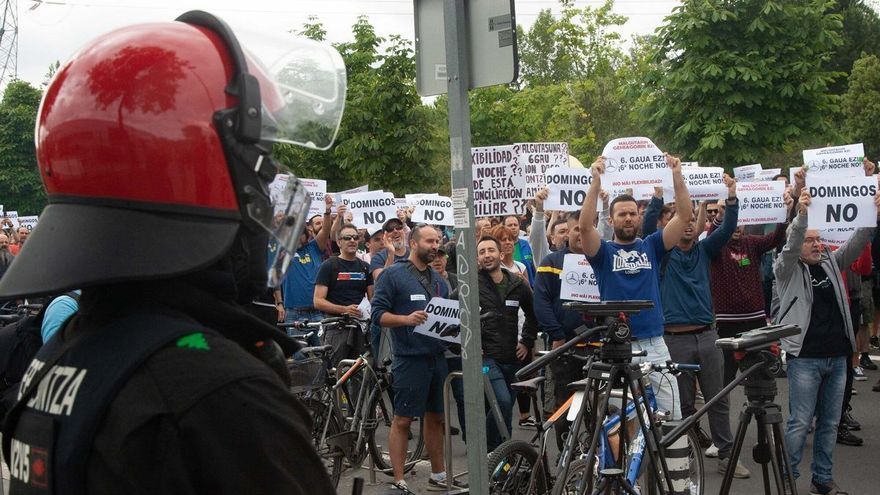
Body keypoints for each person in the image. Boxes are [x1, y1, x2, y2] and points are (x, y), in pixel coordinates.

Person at [0, 11, 345, 493]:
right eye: (260, 173)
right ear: (196, 174)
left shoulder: (64, 350)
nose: (267, 200)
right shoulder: (222, 395)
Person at [580, 153, 693, 493]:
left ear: (640, 216)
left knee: (670, 420)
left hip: (655, 345)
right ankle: (630, 485)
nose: (628, 218)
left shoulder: (653, 246)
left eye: (632, 213)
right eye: (622, 214)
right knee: (623, 423)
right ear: (612, 219)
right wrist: (595, 182)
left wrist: (676, 175)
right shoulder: (603, 253)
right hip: (619, 349)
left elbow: (684, 216)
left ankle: (677, 484)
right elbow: (584, 228)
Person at [774, 169, 879, 495]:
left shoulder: (831, 262)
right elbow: (792, 244)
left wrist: (872, 212)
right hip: (805, 358)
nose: (817, 244)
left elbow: (857, 242)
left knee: (830, 424)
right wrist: (803, 215)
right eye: (811, 240)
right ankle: (788, 479)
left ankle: (822, 479)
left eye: (819, 239)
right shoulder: (786, 269)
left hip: (837, 357)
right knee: (799, 423)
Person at [643, 175, 751, 478]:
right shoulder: (661, 254)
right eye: (683, 219)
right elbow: (647, 228)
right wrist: (656, 198)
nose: (688, 224)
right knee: (683, 404)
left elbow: (727, 228)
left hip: (707, 336)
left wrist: (732, 197)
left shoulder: (704, 250)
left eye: (693, 220)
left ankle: (727, 455)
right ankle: (685, 455)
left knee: (717, 399)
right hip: (674, 339)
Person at [370, 224, 462, 493]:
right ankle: (399, 480)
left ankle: (438, 474)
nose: (435, 246)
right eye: (429, 241)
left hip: (437, 357)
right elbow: (377, 315)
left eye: (437, 241)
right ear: (413, 243)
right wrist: (406, 319)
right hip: (409, 358)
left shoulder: (439, 280)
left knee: (436, 418)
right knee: (403, 419)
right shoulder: (392, 275)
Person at [476, 235, 539, 451]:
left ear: (501, 254)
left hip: (513, 357)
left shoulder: (517, 283)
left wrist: (527, 341)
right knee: (501, 402)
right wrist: (467, 344)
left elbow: (533, 313)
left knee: (504, 410)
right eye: (482, 252)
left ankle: (503, 458)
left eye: (490, 250)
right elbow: (453, 314)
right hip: (487, 358)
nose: (487, 255)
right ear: (477, 258)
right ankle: (486, 451)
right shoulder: (471, 284)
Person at [313, 223, 374, 367]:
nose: (352, 240)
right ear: (339, 242)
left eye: (355, 237)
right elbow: (318, 301)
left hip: (360, 327)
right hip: (336, 327)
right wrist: (345, 309)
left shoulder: (365, 267)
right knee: (335, 372)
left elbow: (373, 298)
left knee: (360, 372)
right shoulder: (329, 265)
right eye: (347, 238)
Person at [502, 215, 536, 286]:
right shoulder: (500, 247)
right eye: (510, 225)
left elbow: (533, 269)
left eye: (515, 225)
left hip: (528, 288)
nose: (513, 227)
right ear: (504, 227)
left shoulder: (526, 244)